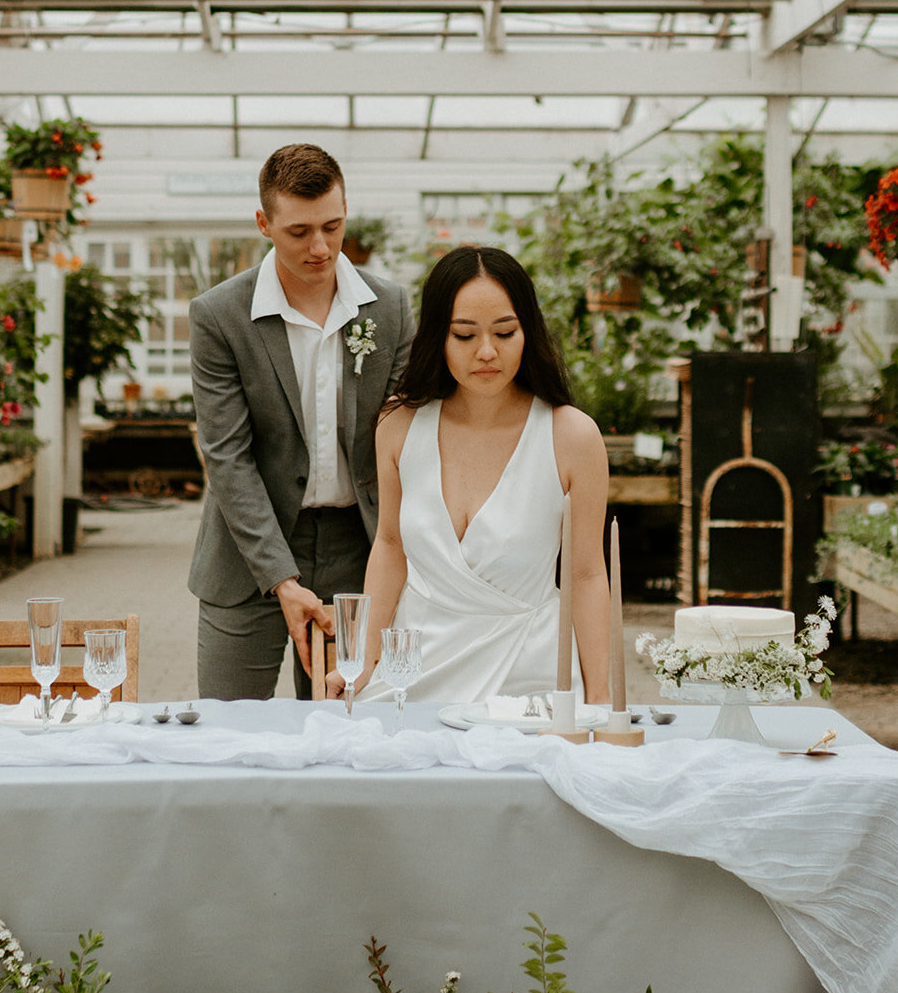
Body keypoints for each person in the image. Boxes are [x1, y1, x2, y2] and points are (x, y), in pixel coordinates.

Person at [187, 144, 415, 698]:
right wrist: (280, 579)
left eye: (333, 226)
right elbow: (226, 456)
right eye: (299, 232)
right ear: (264, 223)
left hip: (360, 551)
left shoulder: (392, 309)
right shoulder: (218, 315)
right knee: (229, 728)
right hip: (248, 552)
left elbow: (403, 441)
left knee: (349, 729)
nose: (321, 247)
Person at [346, 246, 610, 706]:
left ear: (527, 332)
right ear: (437, 338)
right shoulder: (398, 424)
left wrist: (603, 697)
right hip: (411, 672)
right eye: (465, 335)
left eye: (505, 332)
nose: (487, 352)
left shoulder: (571, 436)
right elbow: (389, 546)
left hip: (531, 679)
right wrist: (365, 662)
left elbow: (586, 574)